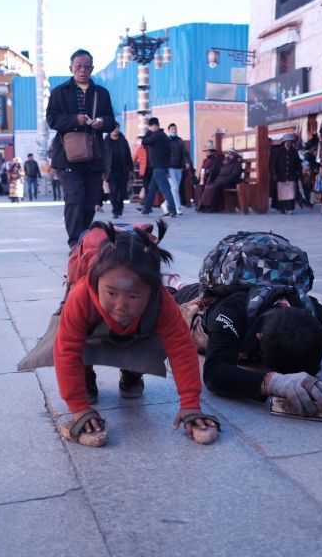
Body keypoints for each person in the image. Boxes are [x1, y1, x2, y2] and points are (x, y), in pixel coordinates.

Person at [53, 222, 219, 447]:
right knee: (69, 341)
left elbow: (180, 347)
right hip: (91, 333)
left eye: (133, 297)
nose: (121, 305)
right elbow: (66, 350)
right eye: (111, 292)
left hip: (135, 332)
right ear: (96, 280)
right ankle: (85, 377)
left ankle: (132, 372)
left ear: (153, 289)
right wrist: (79, 407)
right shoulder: (81, 295)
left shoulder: (161, 300)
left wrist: (190, 403)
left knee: (156, 336)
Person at [173, 273, 322, 419]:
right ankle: (175, 283)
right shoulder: (230, 313)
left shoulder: (315, 312)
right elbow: (215, 373)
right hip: (201, 308)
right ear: (259, 338)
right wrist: (271, 381)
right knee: (171, 297)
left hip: (260, 297)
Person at [47, 49, 116, 247]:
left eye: (86, 66)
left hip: (94, 156)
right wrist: (73, 120)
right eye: (78, 66)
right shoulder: (59, 92)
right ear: (71, 68)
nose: (82, 70)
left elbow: (112, 122)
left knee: (89, 202)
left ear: (92, 68)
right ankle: (74, 242)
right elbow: (52, 120)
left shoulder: (101, 93)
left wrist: (102, 121)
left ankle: (84, 238)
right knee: (74, 199)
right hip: (68, 155)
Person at [138, 117, 178, 217]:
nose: (150, 129)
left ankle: (173, 211)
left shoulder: (157, 136)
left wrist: (148, 132)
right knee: (152, 189)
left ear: (154, 126)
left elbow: (144, 142)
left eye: (150, 127)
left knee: (165, 189)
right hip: (161, 166)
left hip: (158, 166)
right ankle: (147, 209)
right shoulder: (163, 135)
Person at [103, 122, 133, 219]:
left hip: (122, 170)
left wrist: (131, 169)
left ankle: (120, 206)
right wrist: (102, 171)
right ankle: (115, 210)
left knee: (122, 192)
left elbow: (128, 156)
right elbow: (102, 157)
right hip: (110, 171)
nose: (115, 130)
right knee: (114, 191)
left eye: (117, 128)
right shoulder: (106, 141)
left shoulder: (123, 141)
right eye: (113, 128)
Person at [270, 132, 302, 214]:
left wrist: (299, 172)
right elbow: (273, 163)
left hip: (291, 175)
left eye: (290, 141)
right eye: (287, 141)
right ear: (284, 142)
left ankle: (290, 208)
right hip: (281, 175)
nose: (288, 143)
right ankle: (283, 208)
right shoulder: (278, 151)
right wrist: (274, 173)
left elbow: (298, 163)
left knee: (291, 192)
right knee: (282, 193)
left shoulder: (294, 151)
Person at [167, 123, 190, 212]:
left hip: (179, 167)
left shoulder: (180, 141)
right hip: (170, 167)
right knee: (175, 187)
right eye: (172, 129)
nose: (174, 130)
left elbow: (185, 153)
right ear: (169, 130)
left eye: (175, 129)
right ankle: (177, 207)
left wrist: (187, 162)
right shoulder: (166, 141)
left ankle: (165, 204)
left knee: (175, 187)